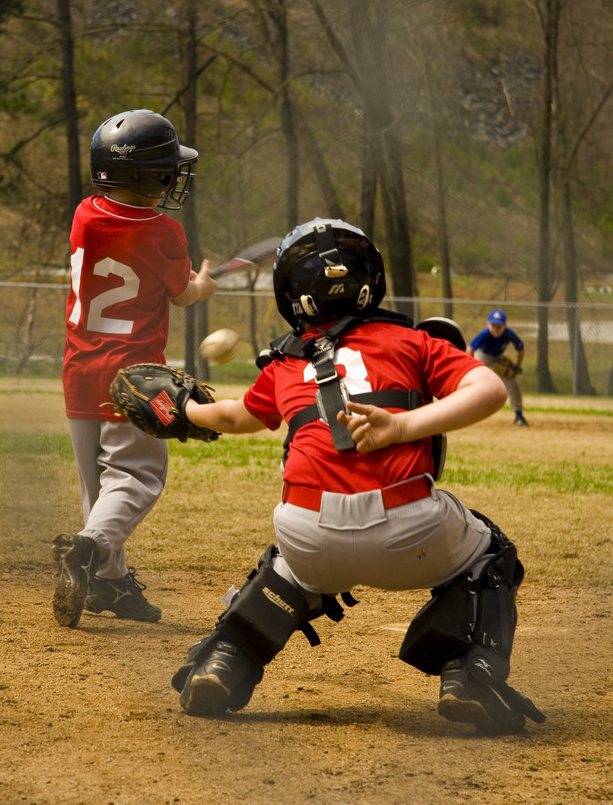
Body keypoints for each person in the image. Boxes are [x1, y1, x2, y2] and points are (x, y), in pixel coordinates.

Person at [170, 218, 545, 735]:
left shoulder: (284, 361)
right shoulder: (411, 341)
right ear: (370, 282)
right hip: (411, 532)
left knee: (287, 563)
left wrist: (185, 411)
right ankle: (470, 674)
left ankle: (225, 660)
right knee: (492, 552)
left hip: (309, 537)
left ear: (292, 296)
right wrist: (403, 425)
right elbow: (490, 391)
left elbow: (234, 417)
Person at [53, 109, 216, 629]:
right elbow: (183, 295)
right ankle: (92, 549)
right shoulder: (164, 231)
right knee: (136, 477)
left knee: (96, 487)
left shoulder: (84, 213)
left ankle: (109, 583)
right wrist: (203, 286)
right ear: (149, 178)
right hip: (134, 378)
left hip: (79, 370)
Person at [466, 309, 529, 426]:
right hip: (482, 356)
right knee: (475, 383)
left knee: (513, 382)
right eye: (493, 325)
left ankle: (519, 416)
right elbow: (470, 348)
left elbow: (521, 348)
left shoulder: (509, 334)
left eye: (499, 326)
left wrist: (517, 366)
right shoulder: (485, 334)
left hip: (499, 357)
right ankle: (468, 412)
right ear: (488, 324)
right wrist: (472, 366)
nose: (495, 328)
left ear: (505, 325)